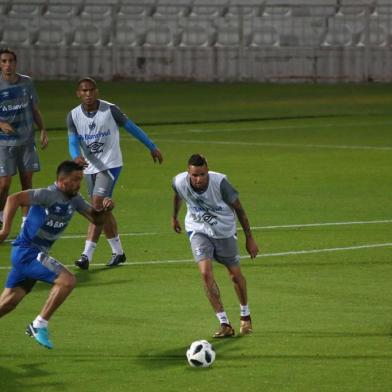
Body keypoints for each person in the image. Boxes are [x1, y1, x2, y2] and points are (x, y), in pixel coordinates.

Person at [0, 160, 114, 349]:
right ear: (62, 180)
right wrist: (5, 231)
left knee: (7, 304)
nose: (79, 184)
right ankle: (39, 324)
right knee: (67, 281)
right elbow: (14, 199)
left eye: (81, 180)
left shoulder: (75, 200)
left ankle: (38, 324)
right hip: (27, 252)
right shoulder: (48, 194)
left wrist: (106, 210)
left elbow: (96, 219)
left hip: (33, 255)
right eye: (76, 180)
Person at [67, 77, 163, 270]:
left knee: (95, 206)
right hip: (89, 168)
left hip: (110, 165)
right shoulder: (73, 115)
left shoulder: (110, 110)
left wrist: (152, 146)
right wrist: (76, 156)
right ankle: (118, 252)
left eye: (91, 90)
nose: (88, 94)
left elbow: (132, 128)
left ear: (97, 91)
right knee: (103, 208)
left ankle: (87, 255)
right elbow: (72, 142)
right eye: (84, 91)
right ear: (78, 93)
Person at [172, 154, 259, 338]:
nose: (198, 179)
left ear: (207, 170)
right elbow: (177, 194)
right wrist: (174, 216)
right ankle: (224, 323)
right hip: (198, 229)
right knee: (205, 273)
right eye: (194, 175)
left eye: (202, 174)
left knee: (235, 276)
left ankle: (245, 315)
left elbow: (240, 209)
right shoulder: (179, 181)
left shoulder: (220, 183)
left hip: (224, 232)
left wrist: (249, 238)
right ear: (188, 172)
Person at [0, 48, 48, 227]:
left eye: (11, 61)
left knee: (27, 181)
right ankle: (0, 215)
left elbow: (34, 108)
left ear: (15, 63)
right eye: (4, 61)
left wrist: (43, 129)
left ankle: (24, 223)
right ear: (0, 64)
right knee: (4, 184)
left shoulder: (26, 82)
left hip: (27, 141)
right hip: (4, 143)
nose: (7, 65)